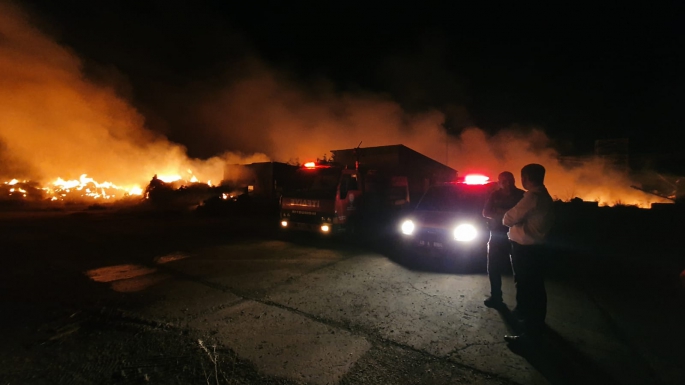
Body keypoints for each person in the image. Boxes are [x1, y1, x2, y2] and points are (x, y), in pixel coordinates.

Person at [502, 164, 554, 343]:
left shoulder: (533, 197)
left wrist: (512, 220)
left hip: (527, 251)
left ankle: (530, 336)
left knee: (530, 289)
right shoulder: (544, 196)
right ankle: (533, 324)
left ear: (526, 178)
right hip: (536, 250)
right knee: (534, 288)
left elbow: (508, 218)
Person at [482, 172, 524, 308]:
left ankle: (521, 304)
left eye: (510, 180)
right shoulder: (495, 195)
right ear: (499, 182)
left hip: (516, 234)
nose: (507, 183)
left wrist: (501, 212)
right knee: (493, 267)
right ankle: (496, 297)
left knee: (518, 269)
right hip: (497, 234)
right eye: (504, 181)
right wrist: (507, 213)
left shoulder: (521, 195)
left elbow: (524, 214)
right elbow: (486, 212)